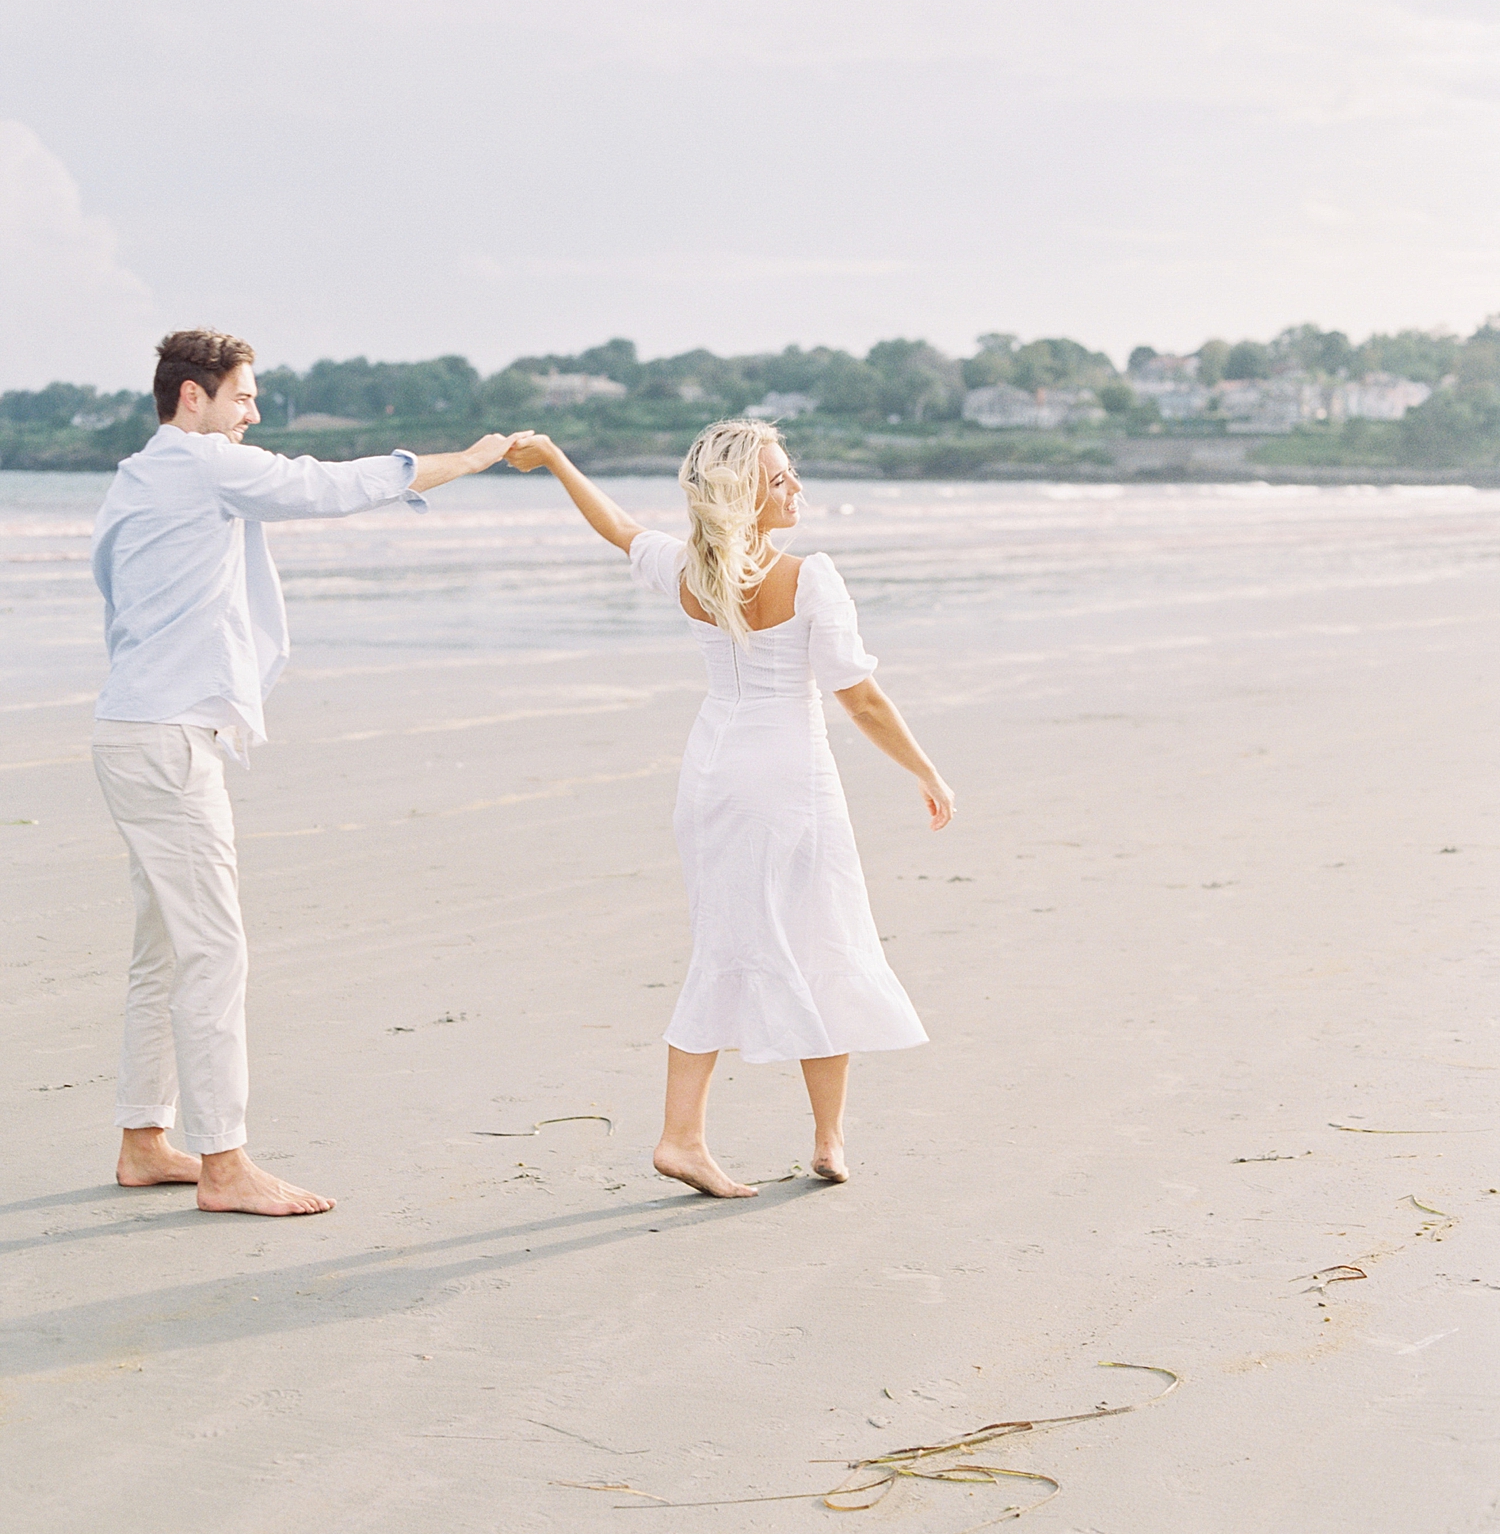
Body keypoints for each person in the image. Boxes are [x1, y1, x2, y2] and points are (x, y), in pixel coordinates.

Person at [90, 329, 527, 1216]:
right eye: (243, 395)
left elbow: (115, 597)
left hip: (130, 729)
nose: (254, 411)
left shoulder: (137, 475)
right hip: (169, 742)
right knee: (213, 950)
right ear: (191, 398)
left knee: (163, 950)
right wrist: (470, 459)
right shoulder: (205, 466)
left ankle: (146, 1140)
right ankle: (223, 1164)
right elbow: (327, 486)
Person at [506, 418, 954, 1197]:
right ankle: (772, 1137)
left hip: (712, 773)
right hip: (787, 779)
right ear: (743, 495)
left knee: (731, 941)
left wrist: (551, 459)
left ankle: (750, 1136)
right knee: (826, 939)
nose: (796, 488)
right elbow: (861, 697)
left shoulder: (688, 570)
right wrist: (926, 770)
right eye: (779, 479)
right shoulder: (809, 576)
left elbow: (616, 527)